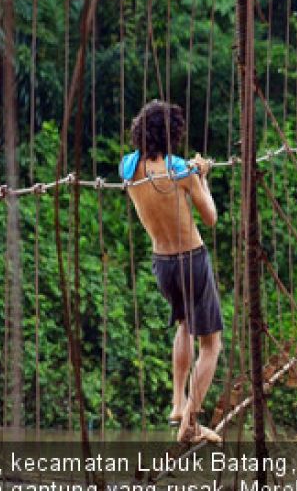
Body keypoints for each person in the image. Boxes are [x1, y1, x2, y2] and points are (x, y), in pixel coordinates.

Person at [120, 100, 223, 444]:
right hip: (191, 259)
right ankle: (191, 424)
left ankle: (179, 403)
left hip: (161, 264)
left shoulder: (128, 168)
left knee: (183, 325)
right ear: (173, 134)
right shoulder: (182, 171)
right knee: (211, 345)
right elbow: (211, 218)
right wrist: (202, 177)